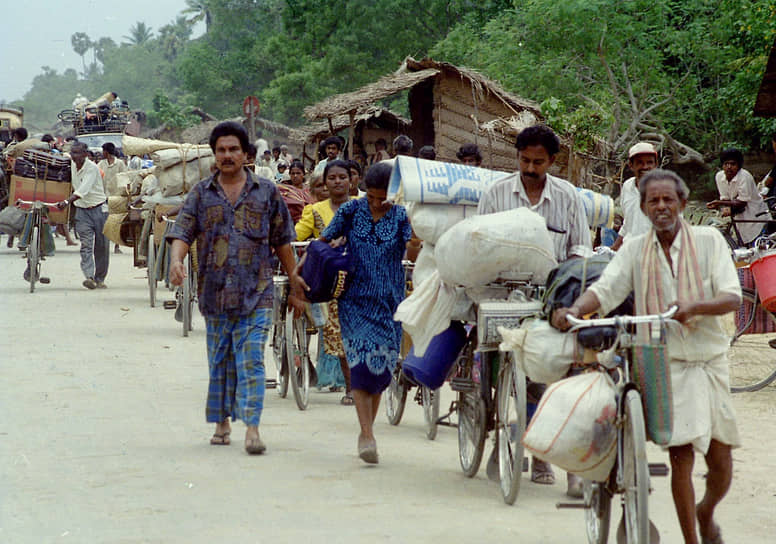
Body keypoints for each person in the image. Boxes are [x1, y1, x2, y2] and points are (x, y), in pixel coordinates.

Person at [552, 169, 741, 544]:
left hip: (710, 359)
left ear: (683, 204)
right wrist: (574, 310)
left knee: (721, 463)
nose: (661, 206)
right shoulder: (636, 248)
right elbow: (606, 290)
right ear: (642, 207)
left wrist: (695, 307)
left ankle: (706, 511)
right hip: (664, 361)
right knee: (681, 457)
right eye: (653, 201)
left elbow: (732, 296)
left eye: (668, 199)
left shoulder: (708, 240)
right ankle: (691, 540)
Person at [166, 121, 303, 455]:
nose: (227, 156)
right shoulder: (201, 193)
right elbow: (182, 231)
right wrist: (176, 262)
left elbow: (283, 241)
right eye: (221, 150)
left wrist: (296, 282)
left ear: (246, 155)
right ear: (214, 155)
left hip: (257, 292)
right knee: (221, 360)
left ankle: (252, 428)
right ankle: (222, 421)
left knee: (252, 358)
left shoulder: (267, 191)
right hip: (214, 294)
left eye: (233, 150)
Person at [478, 124, 591, 495]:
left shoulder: (568, 197)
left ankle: (552, 456)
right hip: (502, 292)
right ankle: (502, 438)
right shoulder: (496, 194)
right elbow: (478, 241)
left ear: (552, 162)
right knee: (502, 373)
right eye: (524, 160)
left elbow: (580, 250)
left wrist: (567, 287)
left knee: (558, 376)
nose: (530, 168)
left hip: (552, 297)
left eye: (538, 162)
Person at [309, 161, 414, 463]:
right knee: (361, 365)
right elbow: (323, 240)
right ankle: (366, 433)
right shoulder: (351, 211)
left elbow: (414, 247)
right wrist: (303, 274)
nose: (377, 203)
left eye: (383, 198)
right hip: (354, 299)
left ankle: (367, 429)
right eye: (372, 197)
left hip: (389, 302)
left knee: (380, 368)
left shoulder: (402, 216)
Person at [296, 160, 355, 403]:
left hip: (360, 274)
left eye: (343, 177)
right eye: (332, 178)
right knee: (339, 335)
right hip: (331, 278)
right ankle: (351, 388)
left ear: (351, 181)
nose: (338, 182)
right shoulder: (315, 209)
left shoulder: (362, 207)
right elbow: (301, 236)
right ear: (325, 183)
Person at [56, 142, 110, 289]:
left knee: (101, 246)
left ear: (86, 154)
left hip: (99, 209)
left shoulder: (92, 168)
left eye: (78, 153)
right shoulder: (71, 165)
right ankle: (89, 276)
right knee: (86, 245)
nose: (75, 156)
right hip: (82, 211)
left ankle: (100, 278)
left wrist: (67, 201)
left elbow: (82, 190)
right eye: (73, 153)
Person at [707, 148, 769, 246]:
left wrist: (719, 203)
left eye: (733, 164)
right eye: (726, 164)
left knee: (758, 249)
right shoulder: (720, 177)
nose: (729, 167)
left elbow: (742, 202)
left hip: (756, 217)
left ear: (739, 166)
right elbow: (726, 199)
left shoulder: (744, 177)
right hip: (740, 220)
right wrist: (722, 207)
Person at [611, 142, 659, 250]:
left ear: (656, 165)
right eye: (640, 163)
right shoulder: (627, 187)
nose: (645, 167)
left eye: (649, 162)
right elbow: (628, 224)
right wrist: (613, 249)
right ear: (631, 165)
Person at [98, 142, 128, 254]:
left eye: (103, 151)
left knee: (117, 220)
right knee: (104, 220)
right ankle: (104, 245)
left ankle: (116, 245)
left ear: (107, 152)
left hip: (117, 195)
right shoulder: (101, 164)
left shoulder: (119, 164)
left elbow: (124, 177)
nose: (102, 153)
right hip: (104, 195)